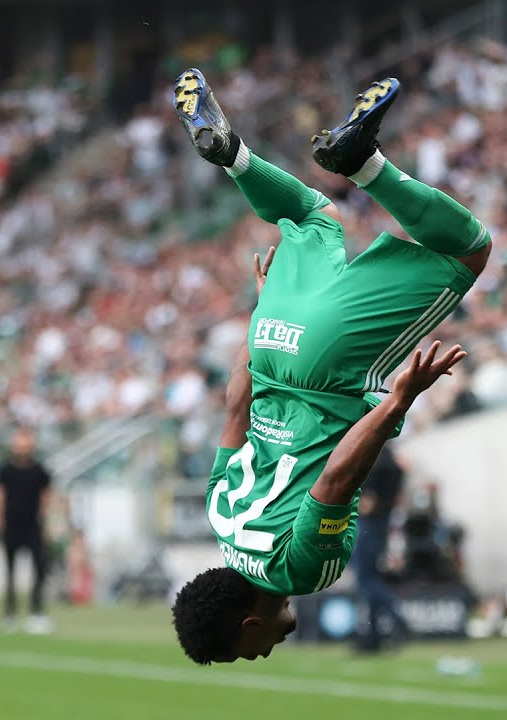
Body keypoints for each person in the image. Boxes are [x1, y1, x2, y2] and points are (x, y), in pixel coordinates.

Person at [168, 68, 489, 664]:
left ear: (246, 624)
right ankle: (235, 156)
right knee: (314, 216)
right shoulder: (220, 515)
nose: (263, 654)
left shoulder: (303, 570)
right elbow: (238, 401)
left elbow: (336, 479)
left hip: (327, 368)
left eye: (248, 651)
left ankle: (365, 161)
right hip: (271, 340)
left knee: (468, 248)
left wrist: (399, 400)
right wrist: (265, 311)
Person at [0, 428, 54, 634]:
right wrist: (0, 520)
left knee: (39, 569)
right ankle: (9, 614)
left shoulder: (40, 470)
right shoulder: (5, 469)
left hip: (32, 526)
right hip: (11, 526)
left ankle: (37, 613)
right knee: (10, 571)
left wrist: (45, 523)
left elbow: (46, 497)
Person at [350, 443, 408, 654]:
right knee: (370, 579)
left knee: (366, 581)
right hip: (381, 523)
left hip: (369, 524)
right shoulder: (393, 462)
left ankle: (398, 618)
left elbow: (368, 503)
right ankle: (372, 638)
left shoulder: (376, 461)